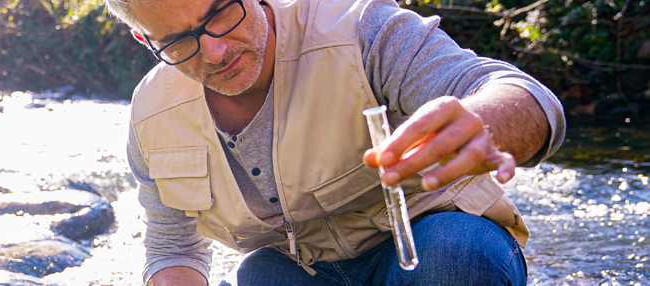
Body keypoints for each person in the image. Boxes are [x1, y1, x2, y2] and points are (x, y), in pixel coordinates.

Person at [105, 0, 566, 284]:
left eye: (220, 13)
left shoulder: (360, 28)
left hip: (436, 246)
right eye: (179, 40)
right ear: (145, 39)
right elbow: (174, 249)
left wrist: (482, 120)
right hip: (296, 274)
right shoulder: (151, 117)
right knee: (259, 275)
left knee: (453, 253)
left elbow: (530, 101)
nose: (215, 51)